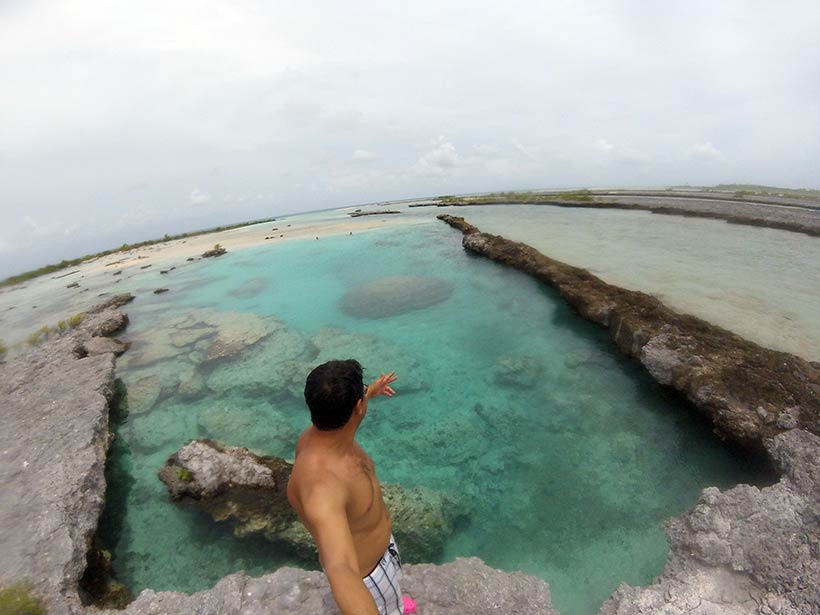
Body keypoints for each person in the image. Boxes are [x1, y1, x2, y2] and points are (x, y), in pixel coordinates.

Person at [287, 359, 415, 615]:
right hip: (369, 578)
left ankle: (396, 602)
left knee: (395, 597)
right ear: (358, 407)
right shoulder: (323, 489)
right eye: (363, 393)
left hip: (382, 553)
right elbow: (341, 567)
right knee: (391, 609)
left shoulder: (318, 433)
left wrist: (371, 392)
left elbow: (341, 409)